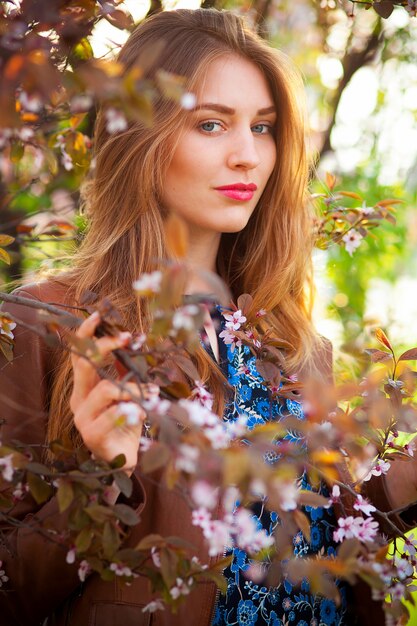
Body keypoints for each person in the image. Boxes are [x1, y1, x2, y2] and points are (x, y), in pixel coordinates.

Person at [1, 8, 417, 626]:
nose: (248, 156)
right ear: (139, 135)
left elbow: (321, 545)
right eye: (212, 124)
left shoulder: (297, 346)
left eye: (265, 127)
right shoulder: (48, 327)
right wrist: (101, 475)